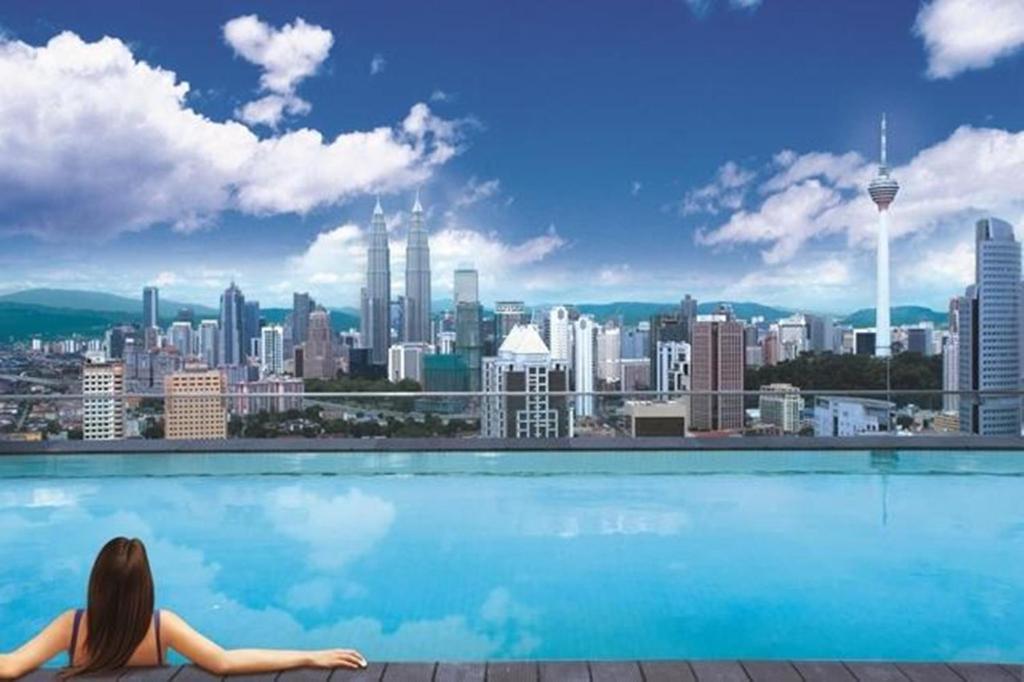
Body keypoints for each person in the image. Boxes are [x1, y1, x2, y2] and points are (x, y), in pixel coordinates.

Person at [0, 537, 367, 678]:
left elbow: (12, 666)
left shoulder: (73, 626)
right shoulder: (161, 627)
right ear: (146, 585)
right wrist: (309, 656)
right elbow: (225, 662)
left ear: (96, 583)